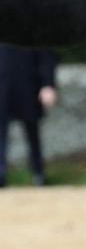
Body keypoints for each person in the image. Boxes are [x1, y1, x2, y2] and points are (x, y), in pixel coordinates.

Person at [0, 46, 57, 186]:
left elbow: (46, 57)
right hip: (3, 91)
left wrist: (48, 85)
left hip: (29, 88)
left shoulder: (31, 29)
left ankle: (38, 173)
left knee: (32, 133)